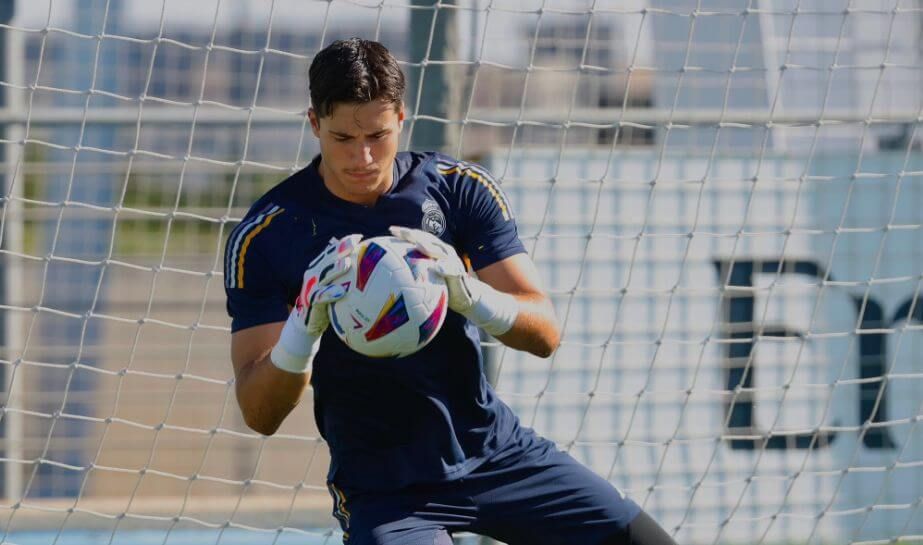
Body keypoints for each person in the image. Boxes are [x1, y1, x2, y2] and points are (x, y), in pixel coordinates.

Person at [224, 38, 677, 545]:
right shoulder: (268, 235)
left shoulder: (458, 190)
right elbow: (259, 414)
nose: (362, 156)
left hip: (497, 455)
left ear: (401, 116)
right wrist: (303, 326)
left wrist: (469, 296)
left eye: (378, 134)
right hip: (385, 490)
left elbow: (545, 333)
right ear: (314, 124)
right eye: (342, 138)